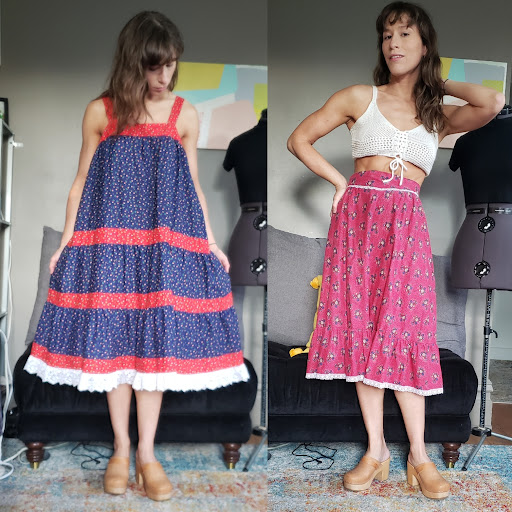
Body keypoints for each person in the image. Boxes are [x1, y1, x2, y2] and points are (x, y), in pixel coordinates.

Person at [23, 11, 249, 502]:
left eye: (171, 64)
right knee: (112, 348)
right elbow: (80, 182)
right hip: (109, 248)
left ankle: (147, 453)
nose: (164, 75)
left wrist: (210, 242)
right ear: (133, 62)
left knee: (153, 351)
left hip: (162, 249)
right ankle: (121, 450)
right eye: (154, 65)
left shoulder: (184, 114)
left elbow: (192, 186)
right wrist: (66, 242)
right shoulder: (101, 111)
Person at [287, 1, 503, 501]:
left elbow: (492, 101)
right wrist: (340, 181)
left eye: (405, 34)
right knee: (363, 330)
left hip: (405, 227)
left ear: (424, 46)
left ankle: (420, 458)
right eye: (387, 35)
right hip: (358, 223)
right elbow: (299, 139)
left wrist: (436, 81)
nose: (393, 43)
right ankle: (376, 451)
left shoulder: (436, 116)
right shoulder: (358, 96)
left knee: (403, 333)